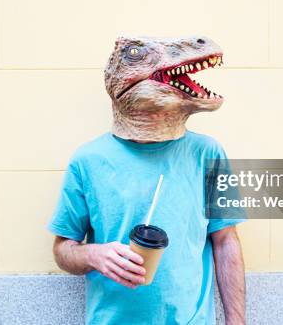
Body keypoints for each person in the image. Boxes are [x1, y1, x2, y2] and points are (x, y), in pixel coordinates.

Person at [48, 37, 245, 324]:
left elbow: (226, 241)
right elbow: (63, 249)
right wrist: (94, 255)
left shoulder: (208, 153)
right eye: (136, 54)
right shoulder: (87, 161)